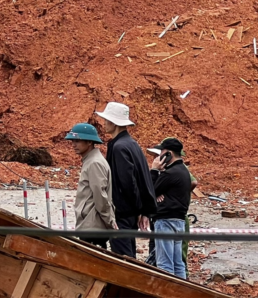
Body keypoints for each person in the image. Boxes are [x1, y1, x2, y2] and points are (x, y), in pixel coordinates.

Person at [95, 101, 157, 258]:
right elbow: (142, 179)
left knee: (123, 260)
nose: (104, 123)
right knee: (128, 256)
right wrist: (143, 210)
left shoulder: (119, 147)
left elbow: (128, 183)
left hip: (123, 213)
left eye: (107, 120)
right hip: (130, 212)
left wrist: (137, 209)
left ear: (114, 123)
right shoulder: (131, 144)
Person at [66, 122, 116, 249]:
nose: (73, 144)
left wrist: (110, 221)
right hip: (91, 224)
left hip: (93, 225)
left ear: (89, 142)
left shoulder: (94, 163)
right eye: (73, 140)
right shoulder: (91, 160)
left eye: (77, 141)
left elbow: (100, 196)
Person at [149, 137, 192, 279]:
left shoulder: (170, 173)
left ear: (168, 154)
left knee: (164, 264)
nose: (159, 155)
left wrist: (154, 170)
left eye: (162, 151)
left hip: (166, 220)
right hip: (179, 220)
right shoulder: (183, 172)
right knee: (178, 263)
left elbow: (149, 192)